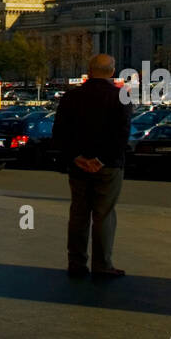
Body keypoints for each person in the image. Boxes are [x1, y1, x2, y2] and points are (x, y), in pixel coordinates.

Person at [51, 54, 132, 279]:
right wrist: (102, 159)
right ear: (113, 72)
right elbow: (122, 135)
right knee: (104, 215)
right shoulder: (121, 97)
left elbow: (59, 133)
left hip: (78, 166)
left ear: (89, 70)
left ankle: (76, 263)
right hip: (108, 167)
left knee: (78, 214)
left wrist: (76, 157)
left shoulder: (71, 97)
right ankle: (102, 265)